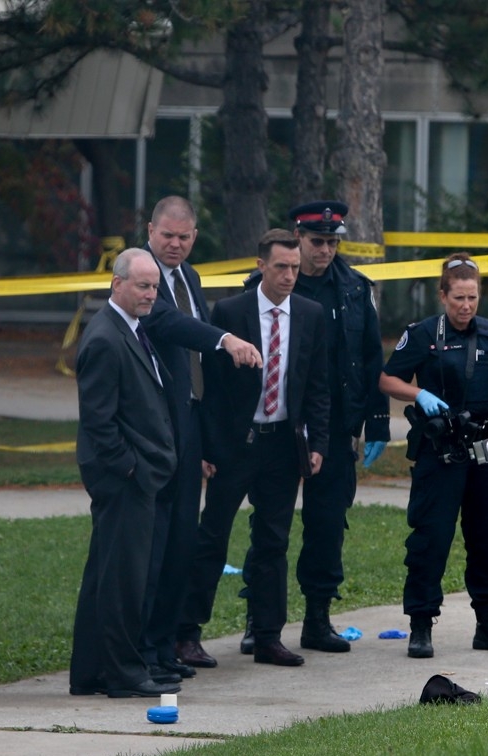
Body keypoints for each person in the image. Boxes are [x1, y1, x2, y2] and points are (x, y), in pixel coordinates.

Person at [238, 200, 390, 656]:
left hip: (335, 424)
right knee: (270, 525)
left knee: (327, 525)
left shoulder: (355, 289)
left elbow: (370, 357)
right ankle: (258, 618)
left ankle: (318, 617)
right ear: (298, 240)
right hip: (277, 423)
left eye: (332, 242)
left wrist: (377, 420)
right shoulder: (265, 287)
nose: (324, 250)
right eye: (316, 242)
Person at [176, 229, 331, 667]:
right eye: (281, 267)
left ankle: (267, 635)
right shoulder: (231, 311)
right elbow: (212, 388)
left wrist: (316, 441)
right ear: (261, 265)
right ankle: (187, 633)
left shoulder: (310, 314)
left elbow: (316, 385)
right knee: (213, 537)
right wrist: (208, 446)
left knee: (273, 542)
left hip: (283, 446)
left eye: (295, 268)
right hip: (235, 445)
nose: (289, 276)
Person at [379, 252, 488, 659]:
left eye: (472, 298)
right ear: (442, 295)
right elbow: (387, 378)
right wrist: (419, 394)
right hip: (443, 454)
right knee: (430, 538)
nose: (466, 306)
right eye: (458, 299)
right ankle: (421, 625)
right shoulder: (421, 334)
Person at [138, 195, 263, 676]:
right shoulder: (142, 276)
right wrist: (224, 338)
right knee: (157, 542)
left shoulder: (188, 277)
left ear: (194, 238)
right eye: (166, 235)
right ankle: (147, 647)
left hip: (189, 424)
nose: (174, 244)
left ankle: (169, 642)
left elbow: (199, 371)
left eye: (183, 237)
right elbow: (167, 324)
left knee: (183, 540)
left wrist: (207, 443)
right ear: (150, 230)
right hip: (155, 425)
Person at [69, 248, 181, 698]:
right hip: (123, 479)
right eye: (142, 285)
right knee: (123, 581)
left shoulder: (131, 329)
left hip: (136, 476)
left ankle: (90, 672)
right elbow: (99, 421)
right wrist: (131, 467)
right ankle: (124, 673)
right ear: (117, 284)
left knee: (106, 574)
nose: (150, 294)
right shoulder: (104, 338)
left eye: (154, 286)